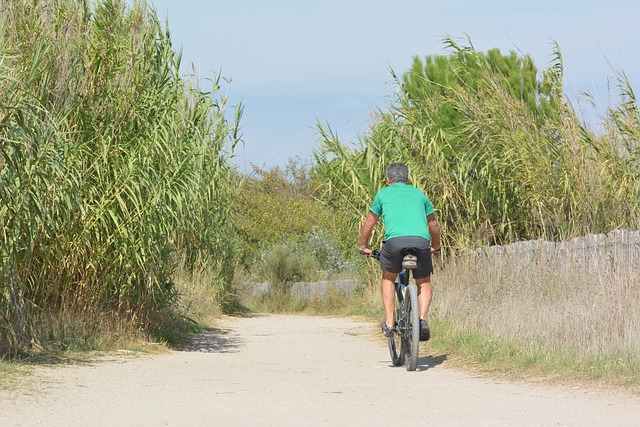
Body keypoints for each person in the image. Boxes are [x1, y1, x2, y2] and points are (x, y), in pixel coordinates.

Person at [358, 162, 441, 341]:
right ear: (407, 178)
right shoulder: (419, 194)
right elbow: (433, 224)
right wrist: (436, 245)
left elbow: (369, 223)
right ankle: (422, 321)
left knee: (389, 277)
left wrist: (363, 246)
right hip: (421, 242)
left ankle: (389, 323)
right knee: (424, 281)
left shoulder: (383, 193)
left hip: (394, 243)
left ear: (388, 179)